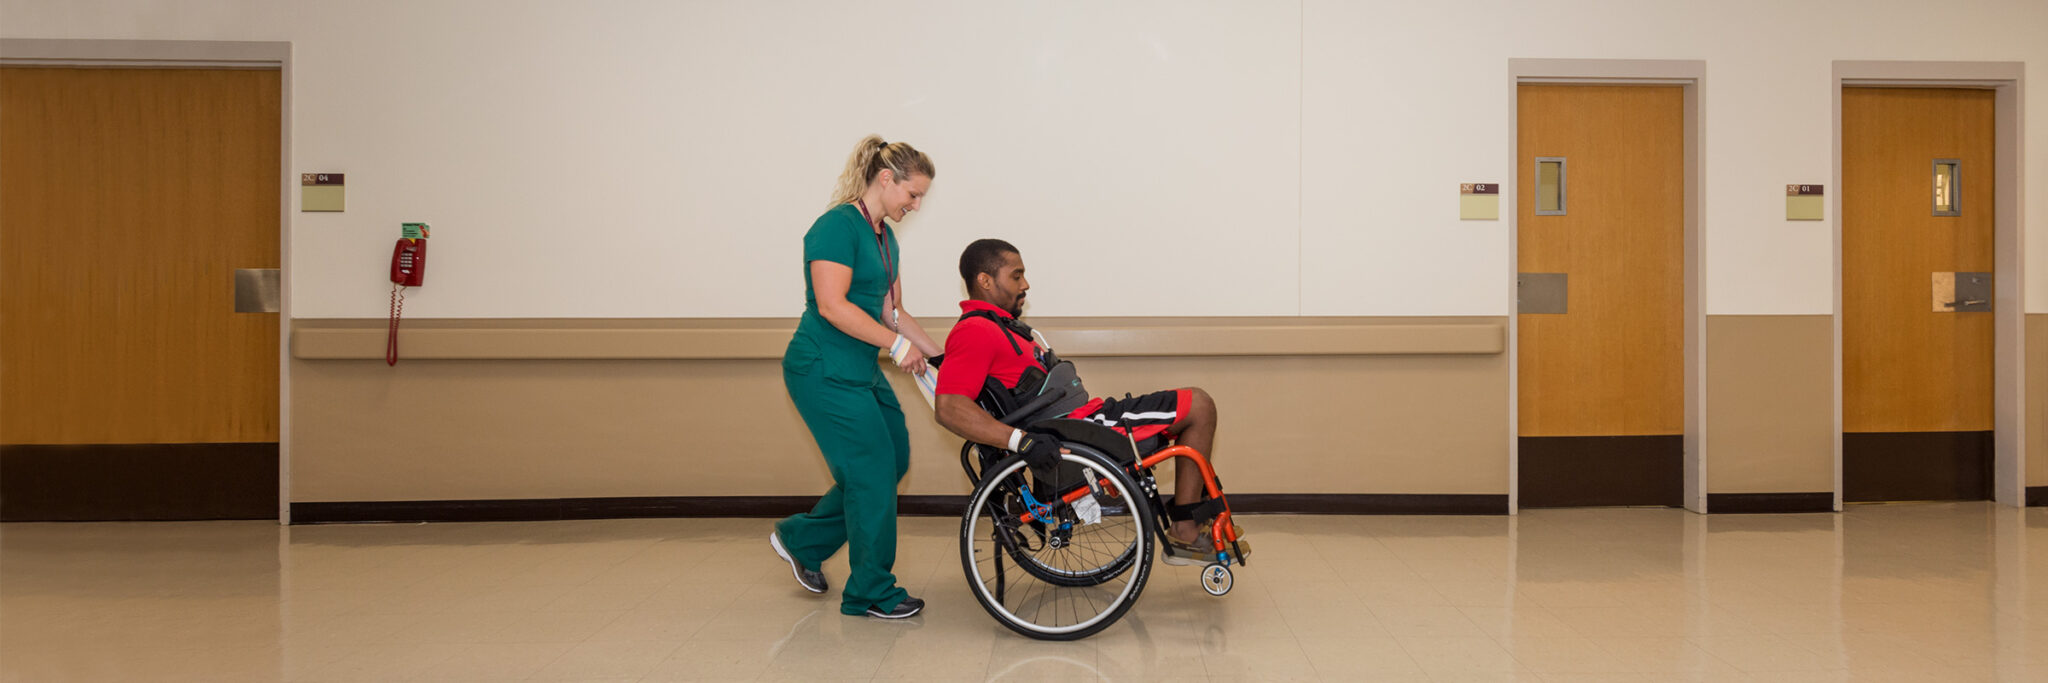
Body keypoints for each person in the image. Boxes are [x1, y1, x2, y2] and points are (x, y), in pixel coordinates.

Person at [930, 239, 1244, 563]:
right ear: (985, 280)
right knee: (1199, 406)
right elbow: (950, 407)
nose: (1025, 284)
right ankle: (1186, 531)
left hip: (1084, 421)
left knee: (1196, 407)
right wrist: (1020, 442)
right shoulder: (976, 331)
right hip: (1078, 430)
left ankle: (1187, 523)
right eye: (1016, 275)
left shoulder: (1002, 328)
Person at [770, 135, 936, 619]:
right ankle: (870, 590)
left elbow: (893, 311)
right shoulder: (835, 227)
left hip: (860, 366)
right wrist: (896, 345)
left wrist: (940, 355)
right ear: (886, 180)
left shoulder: (885, 237)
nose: (917, 204)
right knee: (870, 472)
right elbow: (831, 304)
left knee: (893, 457)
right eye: (913, 194)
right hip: (822, 367)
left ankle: (801, 538)